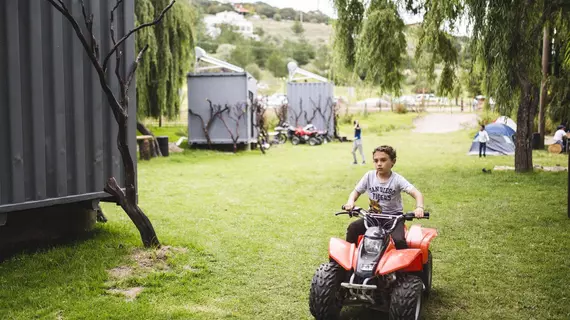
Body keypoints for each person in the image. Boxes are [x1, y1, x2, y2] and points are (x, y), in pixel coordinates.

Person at [343, 145, 424, 250]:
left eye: (383, 160)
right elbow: (356, 192)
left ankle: (404, 265)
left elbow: (417, 194)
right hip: (373, 216)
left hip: (394, 218)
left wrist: (419, 207)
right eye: (376, 161)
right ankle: (351, 260)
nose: (379, 164)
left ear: (393, 162)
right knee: (353, 228)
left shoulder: (397, 179)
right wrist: (350, 202)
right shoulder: (369, 176)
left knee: (398, 240)